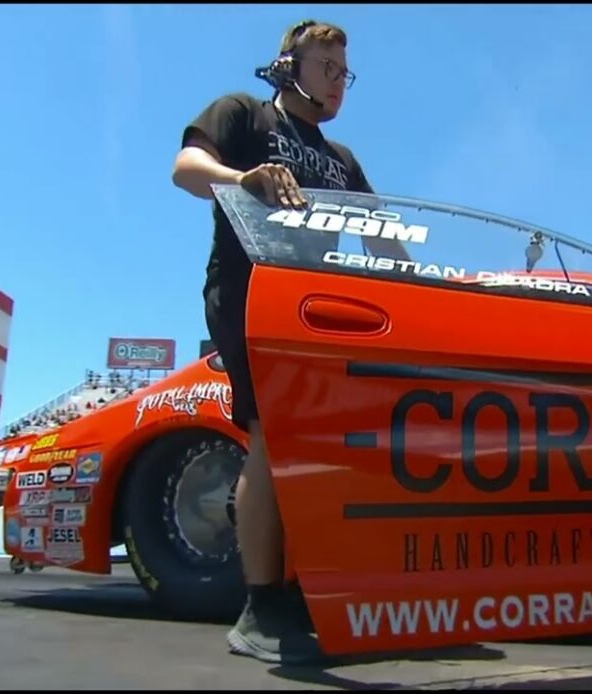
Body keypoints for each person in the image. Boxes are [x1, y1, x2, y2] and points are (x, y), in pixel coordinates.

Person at [172, 18, 408, 665]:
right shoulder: (243, 115)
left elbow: (382, 236)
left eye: (344, 73)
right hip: (247, 293)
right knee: (270, 433)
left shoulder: (343, 160)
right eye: (326, 67)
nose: (338, 83)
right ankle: (258, 605)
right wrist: (239, 179)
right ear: (287, 67)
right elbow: (185, 168)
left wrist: (421, 275)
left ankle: (305, 591)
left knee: (312, 444)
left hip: (314, 310)